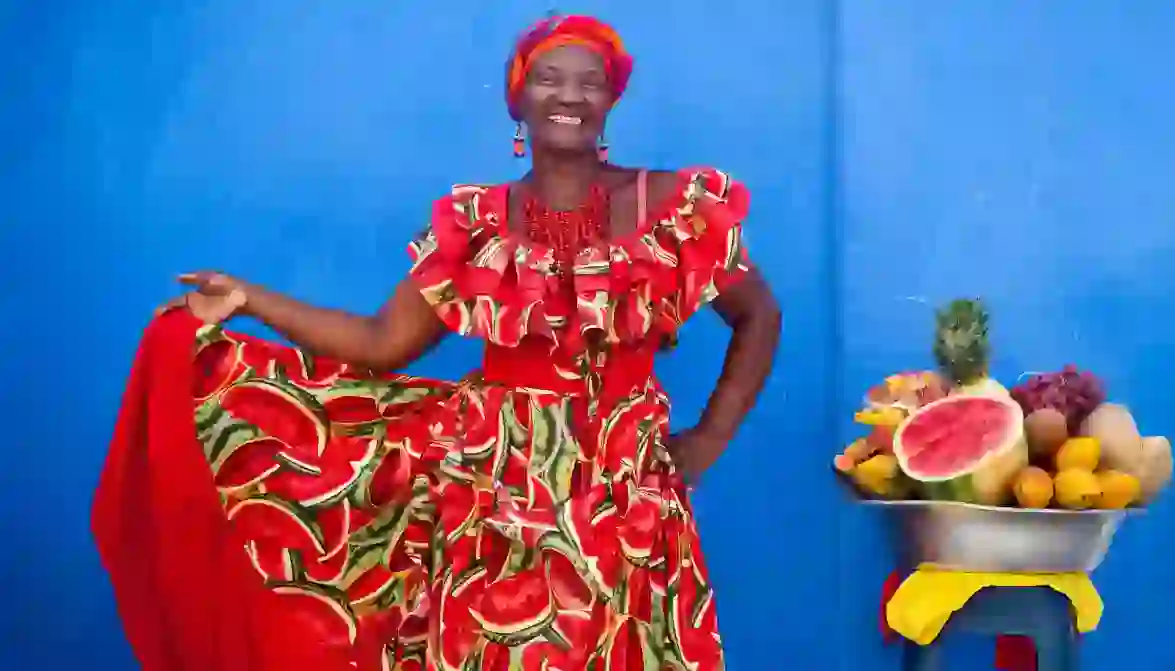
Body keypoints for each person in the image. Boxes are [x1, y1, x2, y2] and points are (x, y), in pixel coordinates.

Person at [93, 14, 780, 671]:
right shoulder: (475, 223)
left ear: (610, 98)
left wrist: (710, 437)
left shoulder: (670, 206)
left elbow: (759, 316)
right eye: (548, 78)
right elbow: (383, 340)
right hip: (496, 491)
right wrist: (249, 298)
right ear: (518, 98)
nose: (569, 94)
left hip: (627, 491)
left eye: (589, 80)